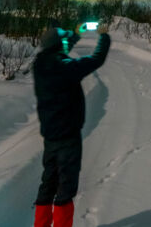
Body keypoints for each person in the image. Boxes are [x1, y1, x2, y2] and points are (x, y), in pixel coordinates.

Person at [32, 21, 111, 227]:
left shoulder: (40, 63)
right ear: (59, 45)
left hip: (50, 136)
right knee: (66, 188)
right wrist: (104, 36)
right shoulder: (66, 67)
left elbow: (59, 50)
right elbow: (96, 59)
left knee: (48, 183)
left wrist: (76, 34)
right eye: (65, 39)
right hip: (68, 136)